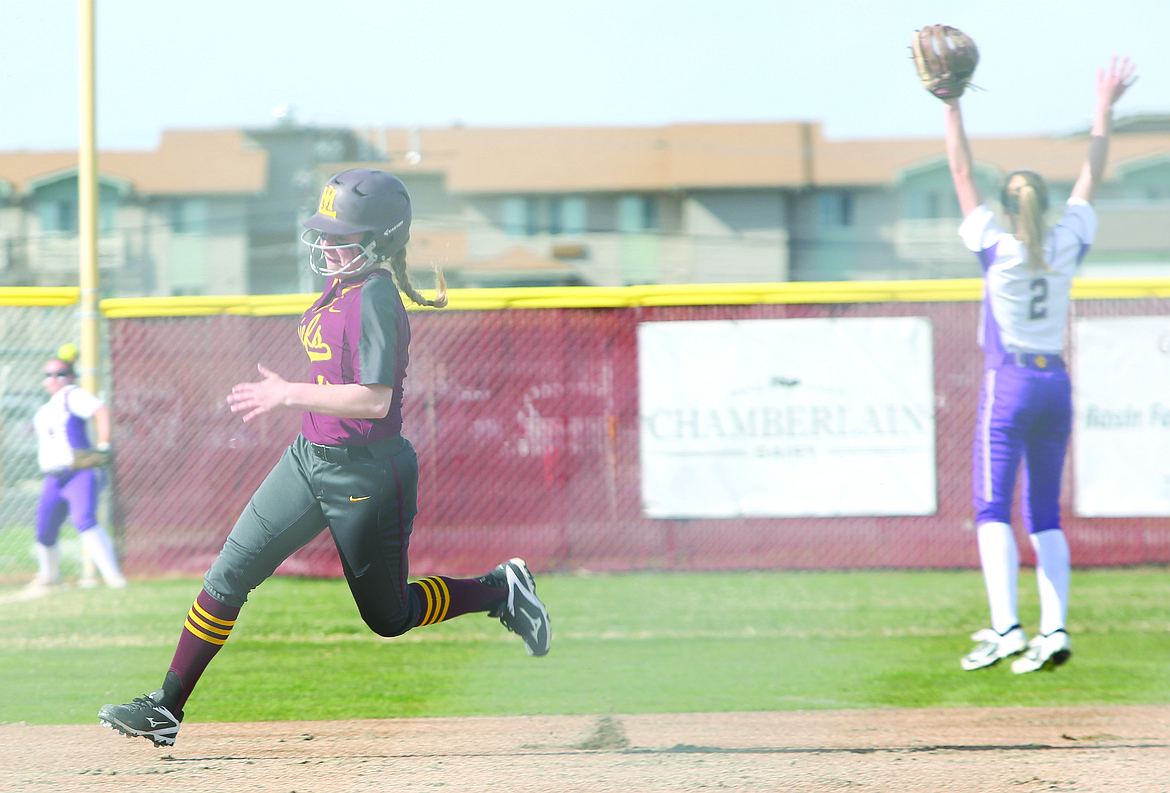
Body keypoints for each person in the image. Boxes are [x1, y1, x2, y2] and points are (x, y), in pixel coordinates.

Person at [98, 168, 551, 747]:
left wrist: (287, 393)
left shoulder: (376, 296)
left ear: (380, 239)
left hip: (367, 474)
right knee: (228, 575)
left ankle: (500, 590)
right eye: (326, 231)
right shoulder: (342, 285)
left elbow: (373, 397)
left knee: (390, 617)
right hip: (309, 459)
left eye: (341, 234)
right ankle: (167, 707)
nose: (327, 243)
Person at [943, 58, 1136, 673]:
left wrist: (950, 102)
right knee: (1045, 514)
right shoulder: (1066, 240)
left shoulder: (994, 248)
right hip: (1056, 381)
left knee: (992, 509)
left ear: (1004, 206)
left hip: (1010, 381)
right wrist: (1103, 106)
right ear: (1047, 204)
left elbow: (960, 169)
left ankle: (1007, 629)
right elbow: (1093, 171)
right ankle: (1054, 631)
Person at [28, 345, 126, 592]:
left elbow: (101, 411)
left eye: (60, 373)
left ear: (70, 377)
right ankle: (50, 575)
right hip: (53, 477)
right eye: (48, 374)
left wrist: (103, 444)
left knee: (84, 519)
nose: (53, 379)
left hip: (77, 472)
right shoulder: (45, 408)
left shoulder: (72, 394)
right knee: (44, 528)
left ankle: (113, 576)